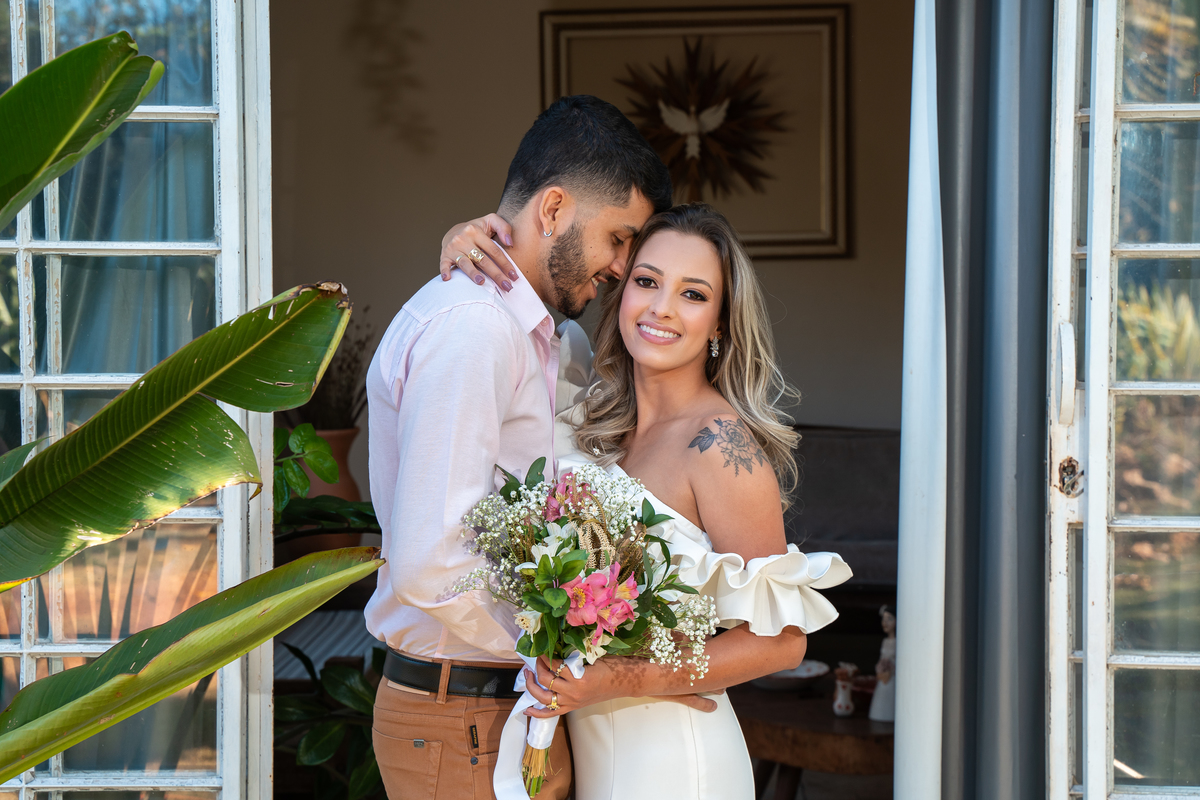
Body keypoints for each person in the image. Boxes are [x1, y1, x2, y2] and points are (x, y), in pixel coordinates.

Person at [439, 204, 850, 799]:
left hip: (677, 765)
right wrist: (466, 236)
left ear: (721, 323)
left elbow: (784, 642)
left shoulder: (722, 446)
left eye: (693, 294)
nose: (660, 308)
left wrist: (613, 679)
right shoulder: (590, 415)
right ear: (621, 287)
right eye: (647, 281)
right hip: (588, 757)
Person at [364, 94, 673, 800]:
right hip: (461, 713)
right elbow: (429, 559)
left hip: (509, 707)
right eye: (620, 240)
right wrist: (561, 645)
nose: (624, 269)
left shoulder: (550, 341)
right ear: (555, 209)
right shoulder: (474, 328)